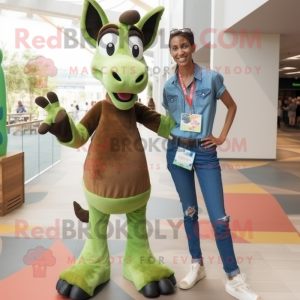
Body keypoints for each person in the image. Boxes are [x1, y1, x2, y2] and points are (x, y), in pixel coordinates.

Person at [163, 28, 263, 300]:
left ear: (193, 47)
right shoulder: (169, 86)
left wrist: (222, 137)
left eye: (184, 46)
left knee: (219, 220)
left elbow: (232, 106)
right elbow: (170, 118)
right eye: (174, 48)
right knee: (190, 213)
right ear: (170, 51)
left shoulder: (211, 78)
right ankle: (197, 264)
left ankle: (233, 276)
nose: (180, 52)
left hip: (205, 153)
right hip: (178, 152)